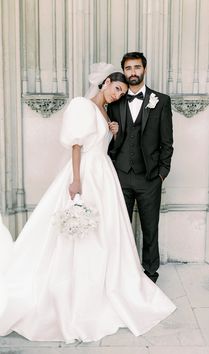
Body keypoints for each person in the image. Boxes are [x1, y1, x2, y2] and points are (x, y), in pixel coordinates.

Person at [0, 63, 175, 343]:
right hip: (87, 174)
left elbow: (101, 142)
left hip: (104, 176)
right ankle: (75, 292)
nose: (118, 95)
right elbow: (77, 145)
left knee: (106, 233)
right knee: (79, 232)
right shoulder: (82, 104)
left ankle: (107, 284)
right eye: (116, 88)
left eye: (121, 92)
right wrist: (77, 179)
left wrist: (113, 131)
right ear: (104, 83)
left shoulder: (105, 111)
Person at [108, 52, 174, 283]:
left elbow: (167, 142)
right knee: (120, 228)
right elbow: (106, 137)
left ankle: (150, 273)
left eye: (137, 67)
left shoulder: (161, 101)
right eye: (128, 68)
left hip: (149, 178)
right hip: (121, 175)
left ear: (144, 70)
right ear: (123, 71)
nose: (133, 72)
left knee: (150, 228)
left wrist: (162, 174)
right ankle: (123, 273)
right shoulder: (115, 100)